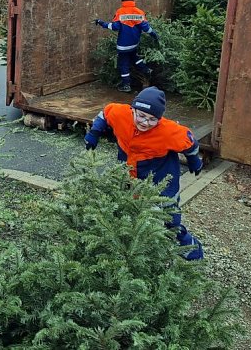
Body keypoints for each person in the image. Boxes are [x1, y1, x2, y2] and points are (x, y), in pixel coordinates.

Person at [83, 86, 204, 260]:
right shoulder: (121, 114)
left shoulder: (169, 131)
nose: (145, 122)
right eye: (141, 115)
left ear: (159, 119)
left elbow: (190, 143)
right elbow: (105, 114)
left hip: (161, 176)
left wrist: (195, 161)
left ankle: (189, 248)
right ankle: (130, 248)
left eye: (152, 119)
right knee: (127, 209)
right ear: (133, 110)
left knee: (169, 218)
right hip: (128, 171)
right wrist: (94, 133)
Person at [93, 0, 159, 93]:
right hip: (134, 43)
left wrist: (101, 23)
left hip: (123, 45)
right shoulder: (139, 12)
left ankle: (126, 85)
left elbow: (114, 27)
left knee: (123, 64)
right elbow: (146, 28)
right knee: (134, 57)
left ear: (122, 0)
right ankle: (146, 70)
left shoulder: (120, 12)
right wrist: (154, 35)